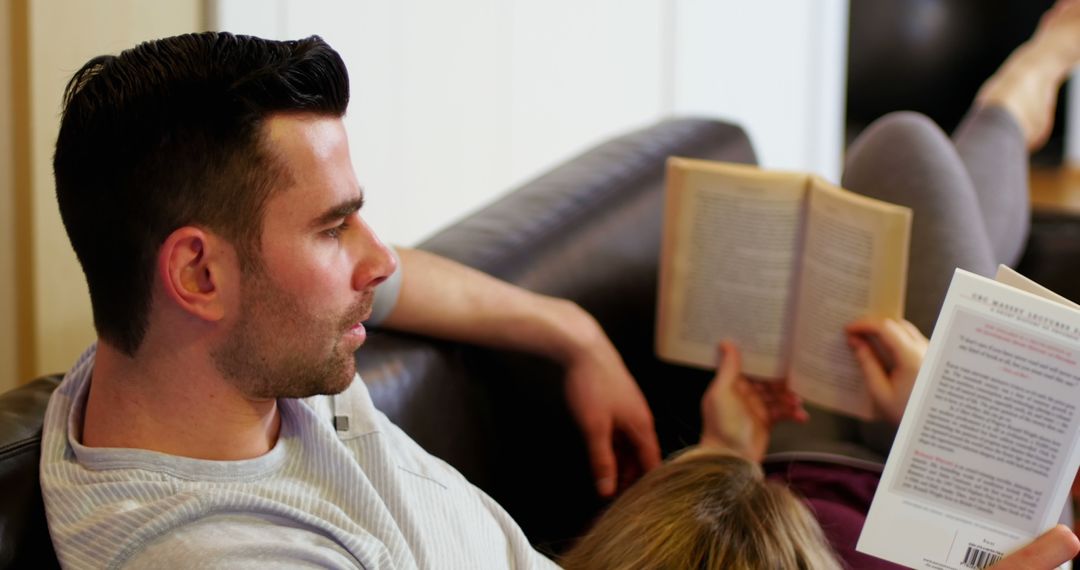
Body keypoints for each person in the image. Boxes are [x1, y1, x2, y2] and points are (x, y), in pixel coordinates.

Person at [40, 32, 659, 568]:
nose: (382, 262)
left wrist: (574, 333)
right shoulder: (219, 552)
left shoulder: (222, 355)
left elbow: (401, 280)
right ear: (199, 274)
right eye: (333, 229)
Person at [564, 1, 1080, 568]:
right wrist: (942, 411)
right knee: (903, 151)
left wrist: (722, 452)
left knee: (893, 172)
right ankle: (1017, 97)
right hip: (954, 507)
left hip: (785, 475)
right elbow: (1042, 550)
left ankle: (1014, 103)